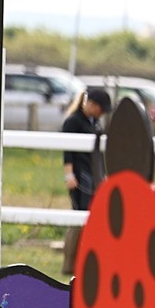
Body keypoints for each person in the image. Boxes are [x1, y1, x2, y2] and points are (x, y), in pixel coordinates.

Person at [60, 88, 112, 273]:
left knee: (89, 216)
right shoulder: (73, 121)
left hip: (93, 174)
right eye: (101, 108)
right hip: (80, 174)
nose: (102, 113)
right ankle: (70, 263)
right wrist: (69, 175)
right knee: (79, 215)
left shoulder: (95, 123)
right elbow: (67, 151)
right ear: (92, 104)